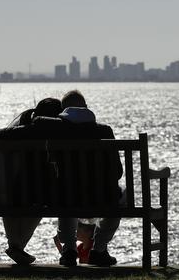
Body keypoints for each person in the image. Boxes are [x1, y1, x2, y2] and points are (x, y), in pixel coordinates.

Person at [0, 97, 64, 265]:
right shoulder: (53, 134)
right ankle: (17, 246)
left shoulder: (18, 132)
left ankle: (16, 246)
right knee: (40, 202)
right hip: (23, 196)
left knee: (18, 199)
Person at [55, 90, 122, 267]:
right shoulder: (105, 131)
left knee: (64, 192)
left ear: (63, 112)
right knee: (122, 196)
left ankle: (69, 250)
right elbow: (118, 172)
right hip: (103, 198)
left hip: (68, 198)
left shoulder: (57, 133)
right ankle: (99, 249)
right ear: (85, 108)